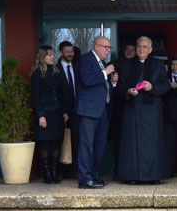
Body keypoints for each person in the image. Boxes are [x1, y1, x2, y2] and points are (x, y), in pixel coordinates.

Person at [116, 37, 169, 184]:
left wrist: (152, 87)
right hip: (132, 110)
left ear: (151, 50)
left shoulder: (158, 64)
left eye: (145, 47)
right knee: (131, 145)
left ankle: (153, 176)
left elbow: (166, 86)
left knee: (152, 145)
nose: (141, 49)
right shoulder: (127, 64)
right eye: (139, 46)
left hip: (151, 111)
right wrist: (128, 91)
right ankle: (132, 176)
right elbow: (120, 87)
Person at [75, 36, 115, 189]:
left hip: (102, 110)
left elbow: (101, 87)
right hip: (88, 111)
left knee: (100, 145)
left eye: (109, 48)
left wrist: (112, 82)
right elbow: (87, 80)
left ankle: (94, 176)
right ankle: (84, 179)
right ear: (97, 46)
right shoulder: (86, 60)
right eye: (106, 47)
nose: (108, 50)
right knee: (86, 145)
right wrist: (105, 73)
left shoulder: (102, 63)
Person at [31, 45, 68, 184]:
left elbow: (62, 93)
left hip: (57, 112)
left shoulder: (57, 71)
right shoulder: (37, 73)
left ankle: (54, 172)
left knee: (57, 142)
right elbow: (35, 96)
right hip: (45, 113)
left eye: (53, 54)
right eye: (49, 55)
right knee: (46, 144)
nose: (52, 57)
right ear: (42, 57)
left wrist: (64, 111)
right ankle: (46, 173)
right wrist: (40, 115)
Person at [57, 41, 81, 179]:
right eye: (67, 52)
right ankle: (61, 172)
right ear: (61, 52)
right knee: (62, 141)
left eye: (71, 51)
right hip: (63, 112)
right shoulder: (56, 69)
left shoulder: (77, 67)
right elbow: (57, 92)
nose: (70, 54)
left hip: (77, 110)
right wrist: (63, 111)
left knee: (76, 141)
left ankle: (74, 171)